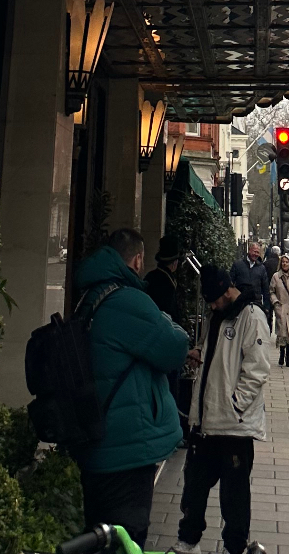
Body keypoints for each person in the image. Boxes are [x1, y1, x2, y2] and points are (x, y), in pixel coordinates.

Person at [72, 226, 192, 546]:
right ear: (138, 260)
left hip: (94, 437)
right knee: (127, 538)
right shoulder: (128, 300)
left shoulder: (89, 296)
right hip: (125, 448)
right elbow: (175, 346)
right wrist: (167, 320)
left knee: (100, 535)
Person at [176, 263, 270, 554]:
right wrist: (200, 354)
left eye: (215, 298)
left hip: (233, 427)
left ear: (228, 290)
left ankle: (234, 547)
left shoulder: (251, 317)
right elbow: (213, 350)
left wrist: (234, 405)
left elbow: (257, 369)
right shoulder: (216, 316)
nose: (212, 304)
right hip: (205, 422)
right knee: (193, 488)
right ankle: (188, 541)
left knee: (235, 496)